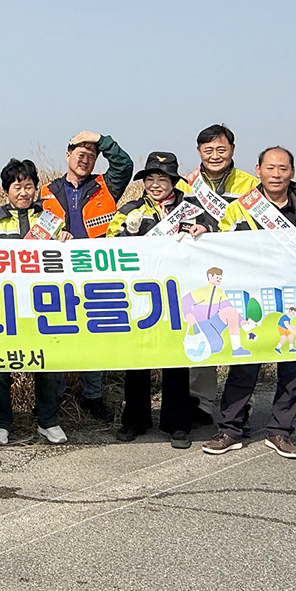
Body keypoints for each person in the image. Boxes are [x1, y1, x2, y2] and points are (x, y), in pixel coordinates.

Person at [201, 146, 296, 461]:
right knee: (243, 367)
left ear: (292, 171)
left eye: (282, 168)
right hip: (253, 299)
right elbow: (219, 244)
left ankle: (280, 431)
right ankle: (231, 429)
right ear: (258, 170)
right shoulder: (240, 208)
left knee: (293, 368)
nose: (276, 174)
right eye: (270, 168)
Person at [108, 152, 215, 448]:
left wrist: (206, 231)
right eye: (150, 178)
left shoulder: (192, 210)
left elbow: (219, 236)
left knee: (176, 359)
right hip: (139, 296)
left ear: (174, 181)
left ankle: (177, 423)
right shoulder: (130, 209)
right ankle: (135, 420)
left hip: (179, 295)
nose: (155, 184)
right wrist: (126, 232)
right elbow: (108, 246)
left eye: (162, 179)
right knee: (137, 358)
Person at [0, 158, 66, 445]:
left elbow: (65, 255)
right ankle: (0, 423)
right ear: (6, 190)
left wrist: (66, 239)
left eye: (29, 186)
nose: (24, 192)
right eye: (17, 186)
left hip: (41, 304)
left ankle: (48, 421)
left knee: (46, 363)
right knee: (1, 365)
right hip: (4, 304)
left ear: (36, 188)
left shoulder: (49, 220)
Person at [40, 130, 132, 421]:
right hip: (57, 274)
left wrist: (101, 139)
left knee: (92, 336)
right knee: (57, 333)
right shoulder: (47, 191)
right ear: (67, 155)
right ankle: (57, 395)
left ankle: (93, 396)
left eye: (91, 156)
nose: (85, 160)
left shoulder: (105, 186)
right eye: (80, 154)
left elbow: (124, 165)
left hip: (95, 273)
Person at [182, 124, 259, 427]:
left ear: (232, 150)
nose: (215, 155)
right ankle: (201, 402)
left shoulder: (250, 184)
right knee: (204, 333)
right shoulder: (187, 184)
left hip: (240, 272)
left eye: (221, 149)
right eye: (208, 150)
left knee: (238, 337)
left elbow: (254, 226)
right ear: (199, 152)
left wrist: (212, 230)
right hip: (198, 273)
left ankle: (242, 403)